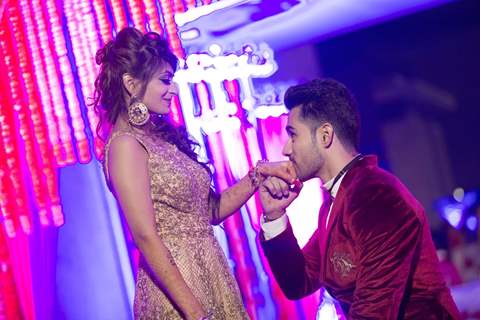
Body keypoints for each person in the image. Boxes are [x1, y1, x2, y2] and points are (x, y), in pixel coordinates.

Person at [92, 27, 294, 320]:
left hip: (212, 275)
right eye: (165, 80)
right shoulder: (125, 145)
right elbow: (145, 236)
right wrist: (196, 313)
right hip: (175, 298)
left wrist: (259, 174)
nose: (173, 89)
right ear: (131, 84)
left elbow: (210, 211)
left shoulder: (160, 139)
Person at [258, 78, 461, 319]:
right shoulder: (338, 201)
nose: (285, 149)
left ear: (325, 136)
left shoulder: (376, 197)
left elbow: (375, 310)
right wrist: (274, 215)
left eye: (293, 135)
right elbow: (298, 282)